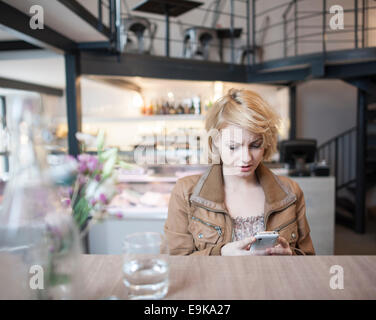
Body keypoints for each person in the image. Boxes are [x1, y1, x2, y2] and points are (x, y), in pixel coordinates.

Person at [164, 88, 315, 256]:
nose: (246, 158)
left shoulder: (291, 192)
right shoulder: (186, 193)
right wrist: (219, 254)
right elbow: (176, 263)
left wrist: (291, 256)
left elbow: (308, 257)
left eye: (255, 145)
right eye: (233, 147)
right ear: (216, 143)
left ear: (266, 143)